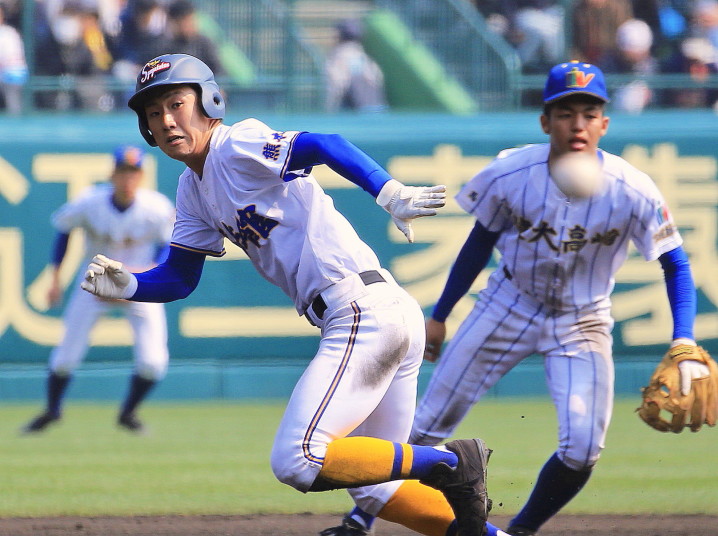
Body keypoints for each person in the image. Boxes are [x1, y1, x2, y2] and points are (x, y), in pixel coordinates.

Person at [80, 53, 492, 536]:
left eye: (176, 104)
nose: (167, 120)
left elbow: (323, 143)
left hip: (360, 311)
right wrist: (131, 284)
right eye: (154, 112)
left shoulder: (235, 143)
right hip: (380, 312)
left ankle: (451, 462)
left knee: (298, 458)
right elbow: (180, 276)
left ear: (209, 102)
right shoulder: (192, 187)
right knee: (375, 491)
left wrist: (388, 191)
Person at [325, 60, 705, 536]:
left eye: (589, 114)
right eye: (565, 113)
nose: (578, 124)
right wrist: (440, 316)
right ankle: (361, 518)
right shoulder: (511, 172)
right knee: (425, 427)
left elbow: (676, 264)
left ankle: (520, 532)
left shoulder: (633, 190)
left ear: (604, 123)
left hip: (584, 320)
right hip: (507, 304)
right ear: (546, 122)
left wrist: (683, 339)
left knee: (584, 448)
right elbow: (478, 244)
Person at [22, 145, 176, 435]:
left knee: (154, 363)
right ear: (112, 174)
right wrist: (55, 278)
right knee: (65, 357)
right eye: (123, 171)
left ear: (141, 176)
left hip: (139, 285)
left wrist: (150, 272)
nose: (128, 178)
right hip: (94, 283)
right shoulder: (90, 202)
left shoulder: (156, 207)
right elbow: (64, 230)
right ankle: (52, 411)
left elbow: (168, 245)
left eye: (133, 172)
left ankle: (128, 413)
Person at [325, 19, 388, 113]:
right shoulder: (365, 58)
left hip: (354, 111)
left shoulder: (339, 57)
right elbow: (378, 79)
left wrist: (329, 108)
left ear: (339, 36)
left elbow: (337, 84)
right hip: (377, 108)